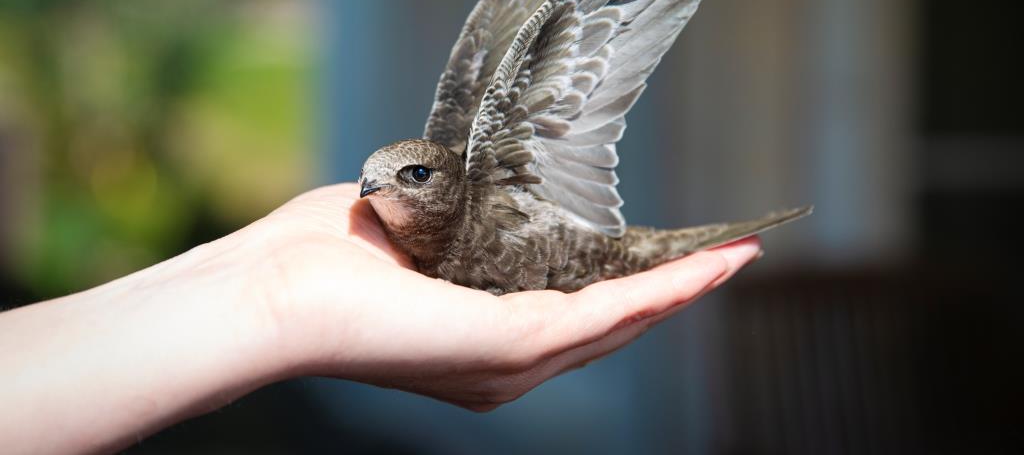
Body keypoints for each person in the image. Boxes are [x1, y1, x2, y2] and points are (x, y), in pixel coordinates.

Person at [0, 183, 762, 454]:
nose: (374, 190)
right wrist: (269, 295)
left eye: (408, 177)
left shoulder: (488, 181)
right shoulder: (394, 222)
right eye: (375, 181)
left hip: (590, 248)